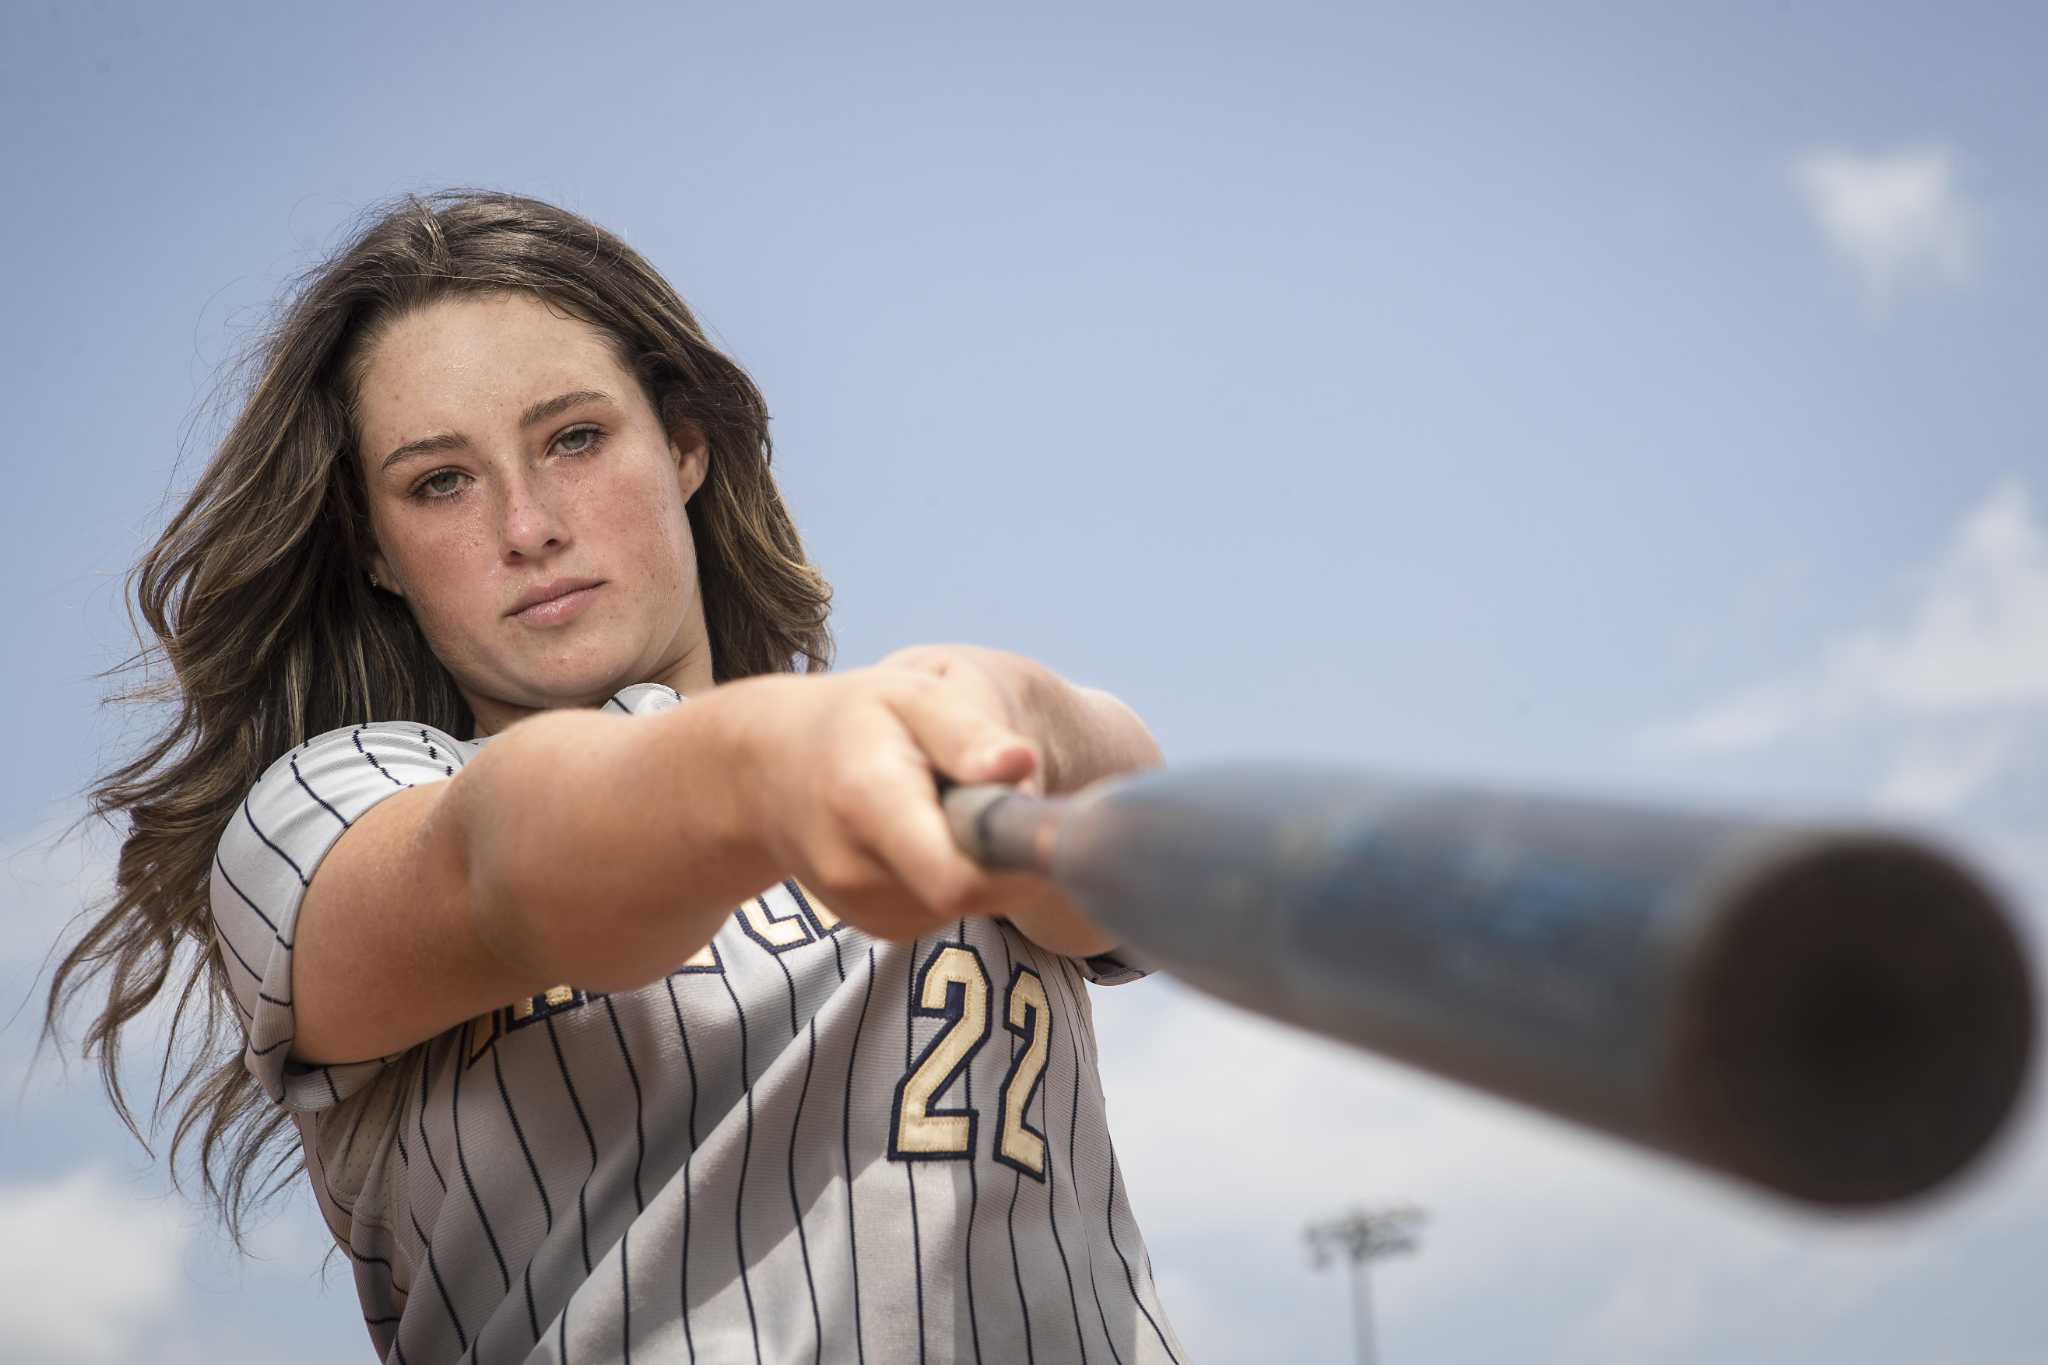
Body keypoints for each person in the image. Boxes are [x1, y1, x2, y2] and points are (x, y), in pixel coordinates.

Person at [50, 189, 1186, 1365]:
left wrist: (1010, 708)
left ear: (684, 443)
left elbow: (1142, 845)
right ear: (373, 551)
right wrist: (763, 761)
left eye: (574, 439)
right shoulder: (318, 816)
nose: (528, 524)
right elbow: (508, 854)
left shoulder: (915, 737)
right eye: (440, 481)